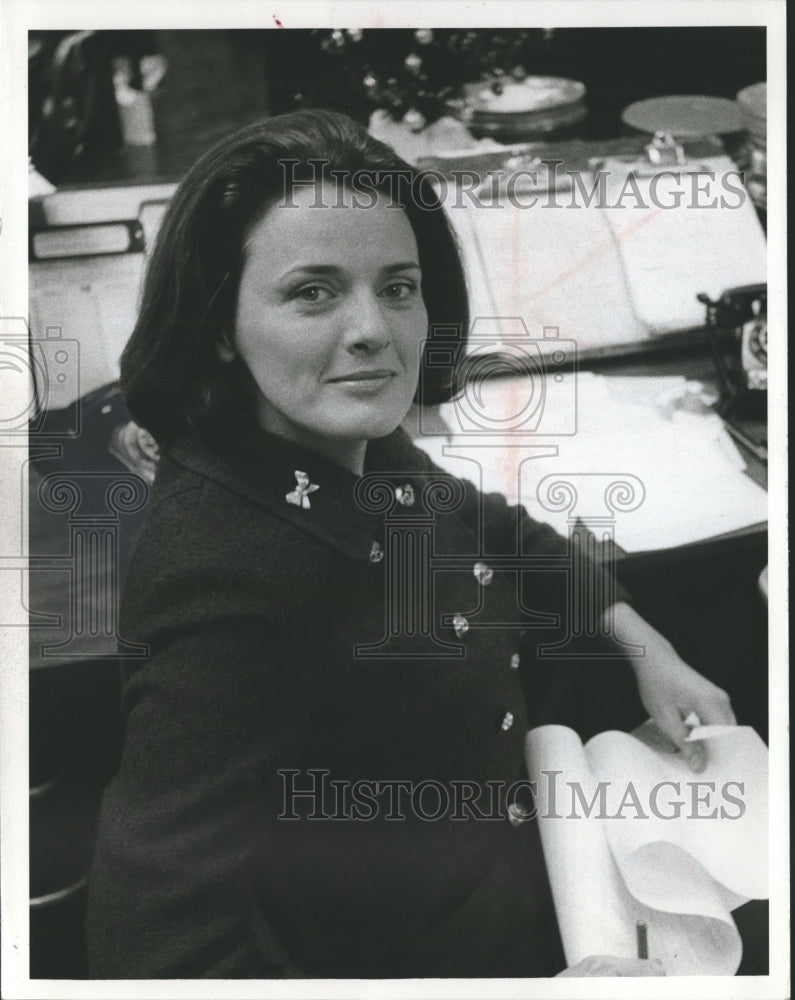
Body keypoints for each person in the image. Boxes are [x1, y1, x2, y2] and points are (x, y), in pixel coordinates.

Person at [86, 109, 736, 979]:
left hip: (510, 885)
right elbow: (157, 955)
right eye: (312, 291)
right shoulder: (228, 575)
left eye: (397, 286)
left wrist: (642, 643)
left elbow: (490, 530)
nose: (374, 330)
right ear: (216, 326)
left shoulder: (341, 437)